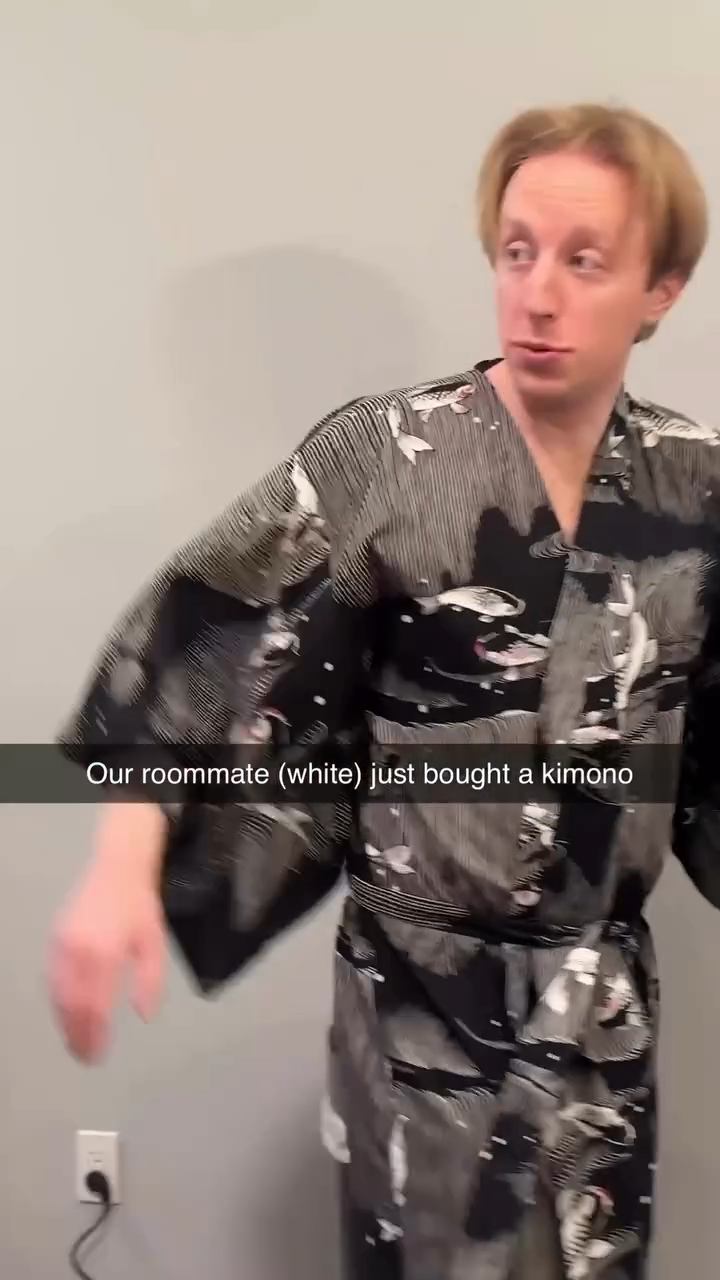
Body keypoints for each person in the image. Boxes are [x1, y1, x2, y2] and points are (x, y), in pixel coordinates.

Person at [48, 101, 720, 1279]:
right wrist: (119, 865)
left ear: (660, 286)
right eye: (516, 250)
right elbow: (208, 635)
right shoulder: (388, 458)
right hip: (415, 1007)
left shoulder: (696, 489)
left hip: (597, 1017)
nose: (537, 294)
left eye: (584, 260)